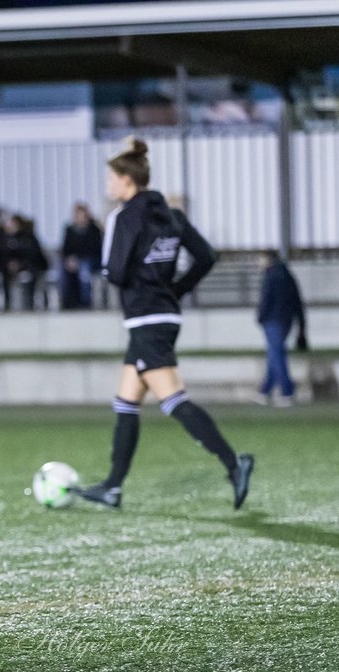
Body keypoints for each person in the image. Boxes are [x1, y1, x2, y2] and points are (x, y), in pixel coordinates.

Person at [76, 138, 254, 510]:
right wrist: (176, 288)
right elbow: (205, 256)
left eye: (111, 178)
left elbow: (115, 271)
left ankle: (233, 462)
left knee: (173, 400)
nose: (108, 185)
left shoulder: (124, 216)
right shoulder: (172, 215)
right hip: (164, 314)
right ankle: (112, 487)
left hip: (145, 318)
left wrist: (114, 271)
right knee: (126, 402)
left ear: (127, 179)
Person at [255, 251, 307, 407]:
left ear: (267, 260)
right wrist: (301, 324)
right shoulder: (288, 275)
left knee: (277, 355)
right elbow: (297, 300)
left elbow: (266, 299)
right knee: (274, 354)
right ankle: (265, 392)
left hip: (272, 320)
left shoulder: (270, 276)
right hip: (287, 321)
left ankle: (287, 392)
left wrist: (260, 317)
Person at [60, 202, 103, 309]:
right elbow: (66, 248)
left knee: (84, 269)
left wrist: (77, 258)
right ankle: (67, 302)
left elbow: (95, 248)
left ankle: (85, 302)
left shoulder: (94, 229)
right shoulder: (70, 229)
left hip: (91, 260)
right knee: (61, 271)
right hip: (72, 260)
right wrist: (70, 259)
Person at [3, 214, 48, 311]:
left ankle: (29, 307)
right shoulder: (5, 239)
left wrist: (20, 265)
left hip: (31, 267)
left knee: (31, 279)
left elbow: (34, 256)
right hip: (10, 269)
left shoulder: (28, 238)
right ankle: (7, 305)